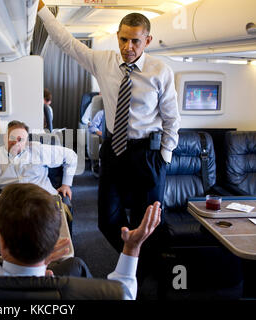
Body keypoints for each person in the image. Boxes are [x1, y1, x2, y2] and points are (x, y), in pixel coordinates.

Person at [38, 1, 180, 258]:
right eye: (124, 39)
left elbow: (172, 119)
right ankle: (130, 255)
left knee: (147, 223)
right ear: (117, 36)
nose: (128, 47)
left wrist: (164, 157)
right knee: (106, 220)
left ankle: (141, 272)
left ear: (147, 41)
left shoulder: (161, 71)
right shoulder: (103, 61)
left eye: (135, 41)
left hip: (148, 153)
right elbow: (67, 43)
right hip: (114, 149)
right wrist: (42, 11)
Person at [0, 183, 162, 300]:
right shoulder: (87, 294)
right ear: (53, 242)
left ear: (1, 241)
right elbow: (124, 293)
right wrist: (132, 247)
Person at [0, 120, 76, 200]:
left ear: (26, 141)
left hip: (44, 199)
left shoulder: (38, 150)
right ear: (5, 138)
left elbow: (71, 156)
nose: (15, 143)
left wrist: (66, 184)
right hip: (12, 203)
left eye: (20, 139)